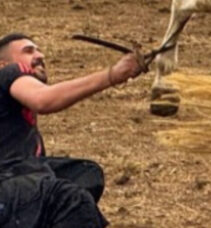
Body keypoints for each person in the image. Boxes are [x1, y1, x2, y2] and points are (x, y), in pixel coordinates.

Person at [0, 32, 145, 227]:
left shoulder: (18, 129)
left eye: (39, 50)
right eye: (28, 51)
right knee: (69, 199)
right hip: (7, 186)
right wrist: (113, 75)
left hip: (15, 187)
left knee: (86, 174)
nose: (40, 55)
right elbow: (44, 100)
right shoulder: (8, 72)